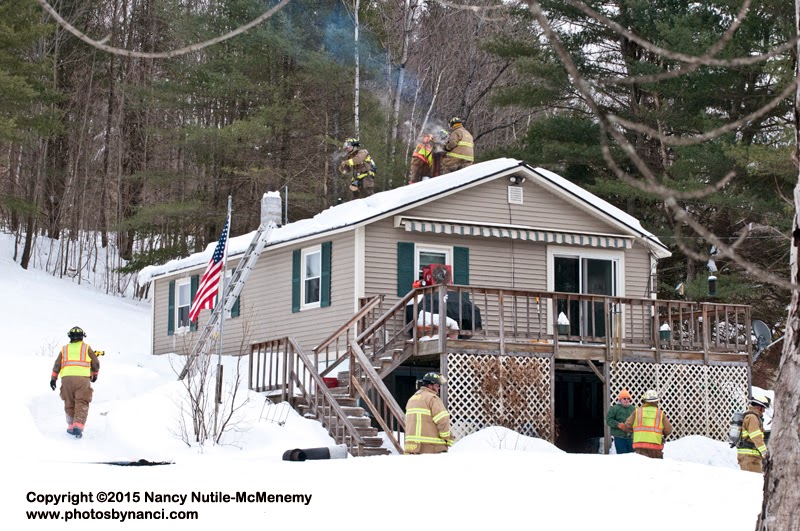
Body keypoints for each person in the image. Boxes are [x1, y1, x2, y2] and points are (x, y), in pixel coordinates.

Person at [50, 326, 100, 438]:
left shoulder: (64, 349)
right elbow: (96, 363)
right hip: (83, 379)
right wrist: (95, 374)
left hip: (66, 379)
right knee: (81, 401)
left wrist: (53, 379)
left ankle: (71, 425)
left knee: (69, 401)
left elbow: (57, 365)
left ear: (70, 337)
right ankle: (78, 426)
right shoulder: (86, 348)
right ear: (82, 337)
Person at [404, 372, 455, 454]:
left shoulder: (412, 399)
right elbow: (443, 420)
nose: (438, 388)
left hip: (411, 448)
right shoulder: (432, 398)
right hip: (430, 448)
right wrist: (447, 438)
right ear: (430, 386)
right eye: (437, 386)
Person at [623, 389, 673, 459]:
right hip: (656, 448)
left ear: (644, 400)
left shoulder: (637, 412)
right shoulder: (660, 413)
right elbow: (668, 430)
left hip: (639, 447)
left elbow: (627, 425)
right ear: (657, 401)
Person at [736, 395, 770, 473]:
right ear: (758, 407)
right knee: (752, 479)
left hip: (751, 456)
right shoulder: (752, 418)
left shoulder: (754, 417)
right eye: (763, 408)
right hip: (749, 457)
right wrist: (765, 453)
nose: (764, 411)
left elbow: (759, 433)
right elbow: (756, 437)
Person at [606, 389, 635, 454]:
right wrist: (618, 425)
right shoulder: (615, 408)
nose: (626, 400)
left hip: (631, 437)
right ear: (620, 399)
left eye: (628, 398)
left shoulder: (633, 408)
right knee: (622, 455)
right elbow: (608, 420)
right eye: (624, 398)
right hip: (619, 436)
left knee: (631, 455)